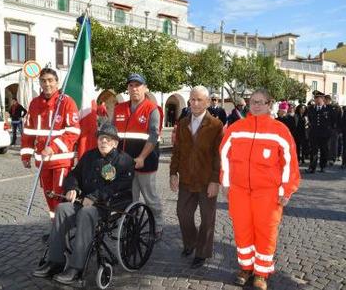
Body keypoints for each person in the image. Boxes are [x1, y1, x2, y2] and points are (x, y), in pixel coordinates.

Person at [32, 123, 135, 284]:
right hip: (84, 201)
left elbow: (117, 186)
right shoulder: (88, 156)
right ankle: (55, 261)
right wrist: (72, 188)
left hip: (109, 205)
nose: (103, 142)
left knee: (87, 213)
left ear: (115, 143)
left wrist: (94, 197)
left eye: (108, 139)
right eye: (101, 138)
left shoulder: (125, 161)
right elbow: (74, 174)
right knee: (62, 209)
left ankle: (76, 268)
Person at [220, 88, 300, 290]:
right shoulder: (236, 128)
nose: (255, 105)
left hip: (268, 193)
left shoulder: (280, 130)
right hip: (239, 191)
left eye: (260, 102)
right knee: (242, 230)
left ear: (269, 105)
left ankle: (261, 273)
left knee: (266, 232)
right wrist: (226, 182)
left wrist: (286, 190)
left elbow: (290, 162)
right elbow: (224, 157)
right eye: (253, 101)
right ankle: (246, 268)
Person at [170, 86, 223, 269]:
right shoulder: (182, 123)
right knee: (182, 214)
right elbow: (177, 151)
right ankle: (191, 243)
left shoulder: (216, 125)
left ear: (207, 102)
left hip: (207, 180)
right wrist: (172, 173)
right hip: (186, 178)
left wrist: (216, 180)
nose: (195, 103)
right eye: (192, 99)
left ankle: (202, 252)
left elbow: (219, 155)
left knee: (207, 219)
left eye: (199, 100)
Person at [20, 68, 81, 218]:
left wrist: (53, 148)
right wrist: (26, 155)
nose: (47, 84)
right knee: (49, 195)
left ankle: (62, 233)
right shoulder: (34, 104)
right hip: (43, 162)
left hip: (61, 161)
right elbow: (28, 132)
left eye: (50, 80)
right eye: (43, 81)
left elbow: (74, 132)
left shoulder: (66, 102)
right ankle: (55, 226)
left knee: (59, 196)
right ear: (39, 82)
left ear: (57, 82)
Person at [113, 73, 164, 240]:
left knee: (150, 197)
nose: (134, 88)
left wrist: (141, 157)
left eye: (138, 85)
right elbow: (112, 133)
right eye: (131, 85)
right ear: (128, 88)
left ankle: (157, 226)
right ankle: (129, 224)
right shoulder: (119, 108)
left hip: (145, 162)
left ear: (145, 87)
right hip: (124, 163)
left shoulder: (152, 109)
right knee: (128, 197)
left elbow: (153, 136)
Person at [306, 90, 336, 173]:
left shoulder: (329, 109)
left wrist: (330, 131)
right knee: (313, 150)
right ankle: (312, 167)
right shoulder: (311, 108)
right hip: (314, 133)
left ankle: (323, 166)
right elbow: (310, 120)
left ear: (322, 99)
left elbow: (333, 121)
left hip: (325, 134)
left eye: (317, 98)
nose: (316, 100)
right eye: (315, 98)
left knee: (324, 150)